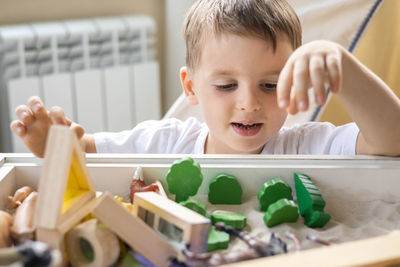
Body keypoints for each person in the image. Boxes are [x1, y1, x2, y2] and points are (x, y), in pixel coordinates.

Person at [9, 0, 400, 157]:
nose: (248, 103)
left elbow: (392, 139)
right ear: (191, 87)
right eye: (226, 85)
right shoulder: (164, 142)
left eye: (269, 84)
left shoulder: (305, 144)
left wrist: (342, 67)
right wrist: (57, 147)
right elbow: (86, 153)